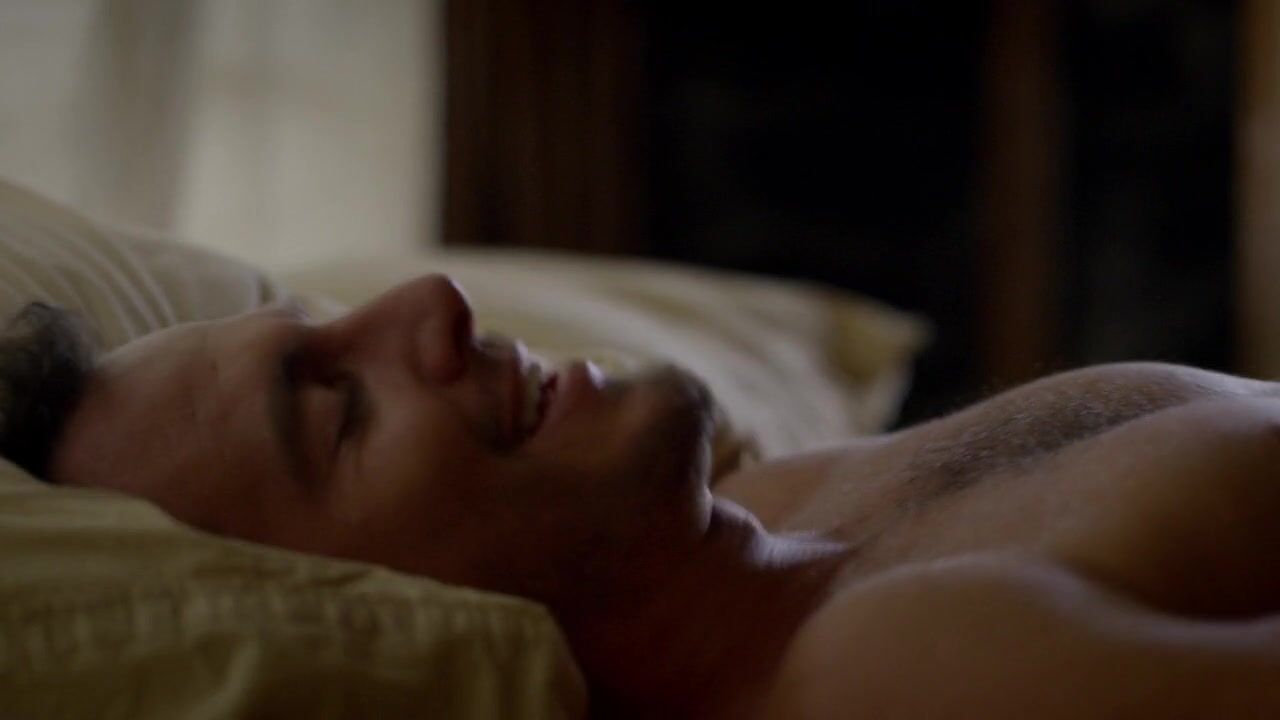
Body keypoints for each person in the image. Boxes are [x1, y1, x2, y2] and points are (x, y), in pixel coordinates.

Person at [4, 274, 1280, 719]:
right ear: (347, 602)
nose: (430, 301)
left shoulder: (788, 502)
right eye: (340, 406)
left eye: (333, 321)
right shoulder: (895, 674)